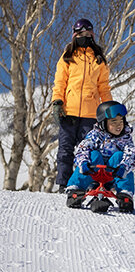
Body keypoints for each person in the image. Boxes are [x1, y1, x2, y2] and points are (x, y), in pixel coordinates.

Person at [51, 19, 112, 193]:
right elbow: (60, 81)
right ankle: (63, 184)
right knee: (65, 150)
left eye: (87, 35)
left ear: (92, 35)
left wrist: (108, 109)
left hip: (90, 113)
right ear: (74, 36)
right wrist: (57, 101)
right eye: (80, 35)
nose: (84, 37)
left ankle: (87, 183)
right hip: (68, 111)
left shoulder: (99, 59)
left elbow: (104, 87)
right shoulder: (68, 56)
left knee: (89, 150)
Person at [65, 101, 135, 212]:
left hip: (113, 174)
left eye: (121, 121)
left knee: (119, 156)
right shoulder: (96, 135)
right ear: (103, 123)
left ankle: (125, 194)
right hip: (92, 173)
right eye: (113, 122)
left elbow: (131, 153)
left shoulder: (125, 138)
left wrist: (123, 167)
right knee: (94, 154)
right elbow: (82, 149)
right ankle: (75, 189)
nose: (119, 125)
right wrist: (84, 164)